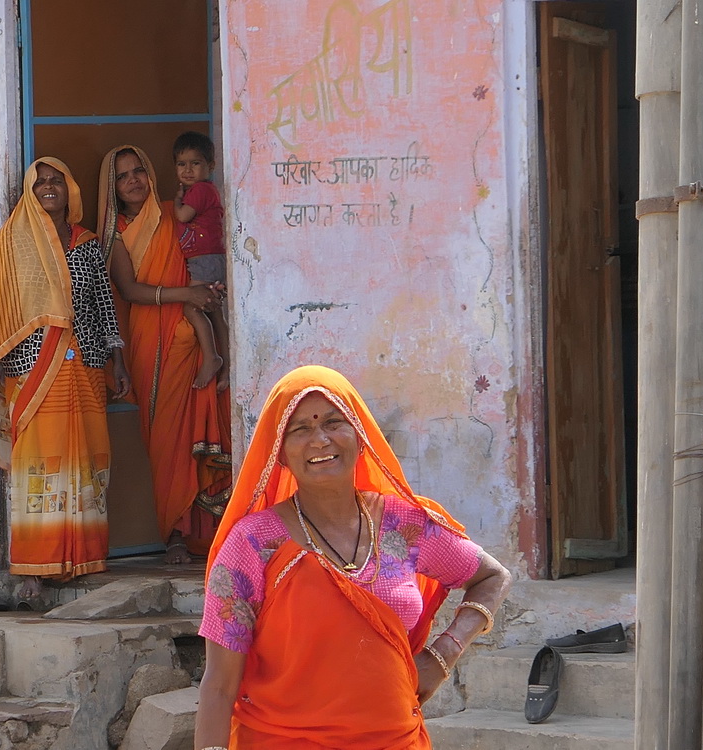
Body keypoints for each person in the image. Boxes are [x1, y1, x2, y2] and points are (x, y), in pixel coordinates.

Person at [194, 365, 512, 749]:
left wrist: (443, 654)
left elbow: (492, 577)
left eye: (334, 422)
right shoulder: (253, 544)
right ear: (278, 453)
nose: (320, 440)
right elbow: (219, 685)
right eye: (301, 429)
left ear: (360, 436)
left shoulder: (403, 525)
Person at [0, 157, 130, 602]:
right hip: (31, 370)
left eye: (56, 181)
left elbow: (104, 305)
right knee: (38, 467)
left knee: (86, 461)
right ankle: (35, 565)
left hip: (84, 365)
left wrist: (117, 361)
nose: (48, 188)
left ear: (70, 191)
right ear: (30, 191)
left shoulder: (86, 243)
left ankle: (82, 558)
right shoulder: (12, 242)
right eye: (40, 182)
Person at [98, 145, 233, 565]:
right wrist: (185, 295)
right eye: (123, 176)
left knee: (212, 425)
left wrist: (204, 294)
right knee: (165, 438)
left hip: (199, 336)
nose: (134, 180)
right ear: (113, 187)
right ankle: (175, 532)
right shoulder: (115, 230)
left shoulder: (176, 213)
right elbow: (131, 290)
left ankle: (218, 533)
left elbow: (204, 256)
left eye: (139, 170)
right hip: (150, 340)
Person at [171, 131, 229, 391]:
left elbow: (183, 216)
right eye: (182, 164)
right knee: (216, 314)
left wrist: (176, 203)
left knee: (192, 307)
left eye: (195, 163)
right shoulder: (206, 189)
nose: (188, 170)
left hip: (205, 261)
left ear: (211, 166)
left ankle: (211, 357)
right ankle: (226, 368)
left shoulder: (200, 190)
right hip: (211, 258)